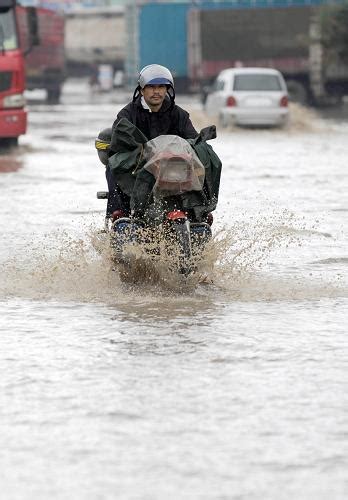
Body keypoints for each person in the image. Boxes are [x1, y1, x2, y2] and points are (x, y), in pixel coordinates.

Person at [105, 64, 199, 218]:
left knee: (203, 160)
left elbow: (192, 138)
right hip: (139, 166)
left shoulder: (178, 114)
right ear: (142, 89)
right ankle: (119, 214)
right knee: (113, 164)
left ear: (167, 89)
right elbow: (119, 142)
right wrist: (138, 151)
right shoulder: (127, 114)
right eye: (151, 87)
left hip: (171, 166)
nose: (156, 92)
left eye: (161, 87)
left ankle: (197, 214)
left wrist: (196, 145)